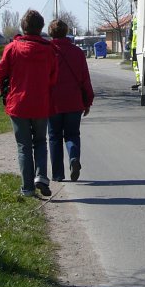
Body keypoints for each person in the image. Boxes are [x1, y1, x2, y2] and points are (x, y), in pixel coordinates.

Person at [0, 9, 58, 197]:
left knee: (23, 146)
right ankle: (41, 176)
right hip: (40, 103)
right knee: (40, 141)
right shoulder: (49, 50)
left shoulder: (12, 48)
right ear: (40, 28)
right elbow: (53, 77)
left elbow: (1, 73)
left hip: (18, 103)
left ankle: (27, 188)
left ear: (23, 27)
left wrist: (3, 88)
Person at [48, 19, 94, 182]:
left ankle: (58, 174)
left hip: (52, 103)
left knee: (54, 136)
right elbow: (85, 79)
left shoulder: (47, 52)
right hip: (74, 102)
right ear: (66, 32)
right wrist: (88, 101)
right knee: (72, 134)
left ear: (50, 33)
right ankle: (74, 158)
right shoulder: (77, 52)